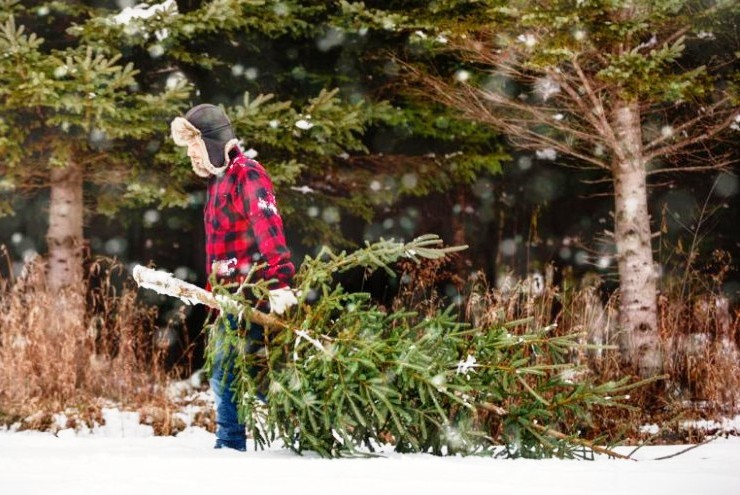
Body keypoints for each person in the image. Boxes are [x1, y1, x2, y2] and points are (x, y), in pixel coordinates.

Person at [170, 104, 297, 451]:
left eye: (194, 145)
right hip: (227, 298)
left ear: (211, 141)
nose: (192, 154)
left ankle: (241, 440)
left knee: (237, 372)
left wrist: (281, 282)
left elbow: (268, 228)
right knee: (239, 374)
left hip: (253, 292)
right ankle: (239, 440)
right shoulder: (217, 182)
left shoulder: (247, 174)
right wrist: (213, 296)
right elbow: (220, 251)